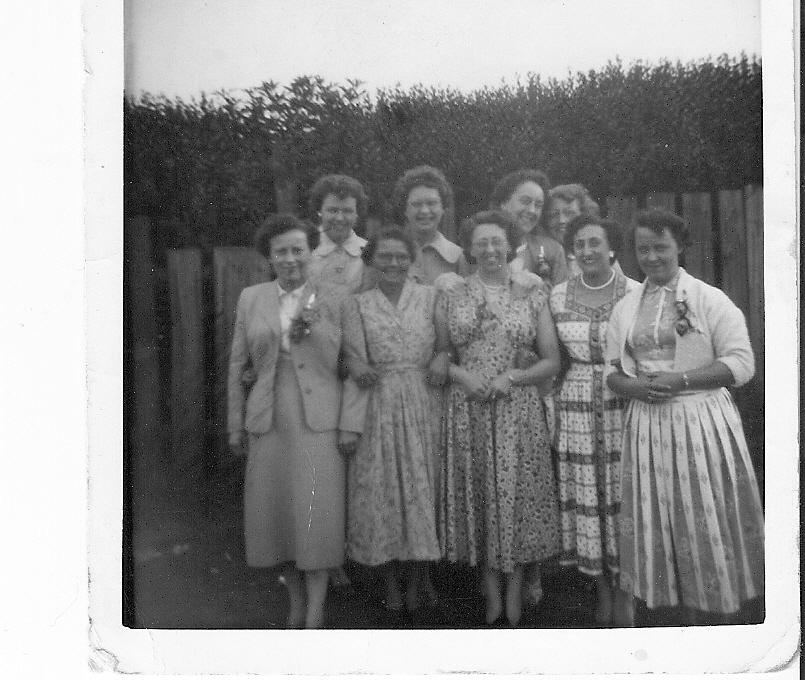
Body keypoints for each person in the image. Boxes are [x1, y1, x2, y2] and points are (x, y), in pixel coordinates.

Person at [605, 208, 764, 625]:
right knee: (658, 516)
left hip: (699, 423)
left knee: (700, 512)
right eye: (644, 249)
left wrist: (682, 380)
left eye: (661, 247)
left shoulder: (710, 299)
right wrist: (636, 387)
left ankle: (715, 615)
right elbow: (612, 372)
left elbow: (742, 364)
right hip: (647, 426)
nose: (652, 257)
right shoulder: (625, 307)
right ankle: (668, 616)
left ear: (679, 246)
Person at [227, 214, 366, 629]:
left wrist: (350, 424)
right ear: (270, 257)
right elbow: (237, 365)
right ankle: (294, 601)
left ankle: (317, 611)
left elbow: (358, 363)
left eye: (297, 250)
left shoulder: (336, 298)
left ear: (311, 252)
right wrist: (236, 424)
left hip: (320, 423)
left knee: (317, 515)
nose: (290, 259)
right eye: (280, 251)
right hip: (269, 421)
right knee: (277, 518)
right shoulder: (252, 298)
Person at [436, 209, 562, 627]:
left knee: (518, 501)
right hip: (469, 409)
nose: (490, 250)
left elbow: (551, 361)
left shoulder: (532, 291)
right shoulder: (452, 292)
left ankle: (514, 592)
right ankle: (491, 595)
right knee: (482, 500)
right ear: (470, 249)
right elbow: (439, 356)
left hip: (517, 411)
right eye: (481, 243)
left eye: (497, 242)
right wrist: (461, 375)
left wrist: (515, 376)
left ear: (510, 246)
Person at [343, 226, 445, 617]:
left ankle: (423, 577)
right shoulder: (357, 304)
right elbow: (352, 356)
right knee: (385, 490)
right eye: (384, 256)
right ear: (371, 260)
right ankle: (390, 581)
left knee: (424, 486)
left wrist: (442, 357)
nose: (393, 263)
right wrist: (356, 363)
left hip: (423, 401)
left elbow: (444, 344)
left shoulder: (429, 296)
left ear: (412, 260)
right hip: (379, 403)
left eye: (401, 256)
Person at [549, 214, 639, 625]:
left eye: (595, 244)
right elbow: (551, 355)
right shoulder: (556, 296)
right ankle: (601, 590)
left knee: (623, 498)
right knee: (588, 500)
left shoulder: (636, 293)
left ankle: (627, 593)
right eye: (580, 244)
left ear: (611, 248)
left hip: (624, 403)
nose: (587, 251)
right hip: (577, 407)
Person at [390, 165, 470, 284]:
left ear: (443, 208)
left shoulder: (459, 258)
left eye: (432, 203)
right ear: (405, 209)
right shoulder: (387, 252)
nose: (424, 211)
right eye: (416, 204)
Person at [492, 169, 568, 288]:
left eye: (538, 205)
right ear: (504, 203)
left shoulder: (553, 250)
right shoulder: (483, 247)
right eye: (525, 201)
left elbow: (561, 300)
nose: (532, 211)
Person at [306, 174, 370, 295]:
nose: (340, 218)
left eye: (347, 211)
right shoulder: (303, 249)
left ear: (357, 213)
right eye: (333, 210)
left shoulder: (369, 252)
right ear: (319, 211)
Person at [547, 184, 601, 277]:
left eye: (569, 213)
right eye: (554, 214)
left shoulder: (600, 255)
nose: (562, 220)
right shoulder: (541, 255)